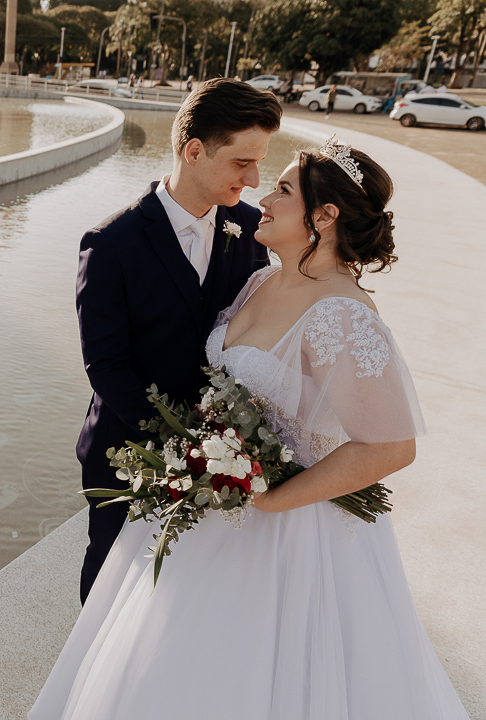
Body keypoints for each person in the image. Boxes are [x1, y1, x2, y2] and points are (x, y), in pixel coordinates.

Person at [29, 139, 471, 719]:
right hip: (214, 503)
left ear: (325, 216)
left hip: (290, 529)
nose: (264, 196)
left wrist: (273, 498)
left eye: (283, 189)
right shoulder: (262, 281)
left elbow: (391, 444)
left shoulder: (342, 316)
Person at [72, 78, 280, 605]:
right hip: (127, 449)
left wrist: (227, 441)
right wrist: (179, 441)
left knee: (184, 583)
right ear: (193, 151)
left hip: (223, 453)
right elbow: (106, 366)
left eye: (259, 163)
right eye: (242, 163)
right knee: (111, 574)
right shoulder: (110, 244)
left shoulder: (252, 228)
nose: (255, 179)